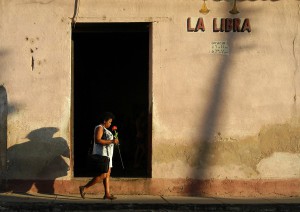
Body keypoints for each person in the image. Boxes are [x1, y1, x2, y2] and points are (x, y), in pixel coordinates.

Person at [79, 112, 119, 200]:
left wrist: (114, 141)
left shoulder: (105, 129)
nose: (110, 124)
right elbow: (97, 140)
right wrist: (112, 141)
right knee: (103, 175)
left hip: (108, 155)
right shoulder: (99, 128)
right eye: (109, 122)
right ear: (104, 121)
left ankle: (107, 194)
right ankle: (84, 187)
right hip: (102, 155)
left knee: (107, 174)